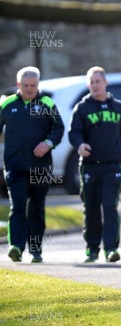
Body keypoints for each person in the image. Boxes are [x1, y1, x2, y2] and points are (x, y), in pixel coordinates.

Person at [68, 66, 121, 263]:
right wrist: (80, 144)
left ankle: (111, 248)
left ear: (105, 83)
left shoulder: (118, 107)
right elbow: (73, 133)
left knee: (109, 206)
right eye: (91, 82)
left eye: (98, 81)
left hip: (112, 166)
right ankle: (92, 249)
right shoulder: (82, 108)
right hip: (90, 166)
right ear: (88, 85)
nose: (95, 85)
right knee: (91, 208)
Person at [0, 66, 65, 263]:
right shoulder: (7, 104)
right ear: (18, 84)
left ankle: (36, 250)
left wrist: (48, 143)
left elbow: (59, 128)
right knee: (18, 206)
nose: (30, 89)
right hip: (15, 166)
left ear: (38, 85)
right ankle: (16, 247)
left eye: (33, 85)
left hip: (41, 167)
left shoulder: (46, 103)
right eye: (26, 85)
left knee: (36, 208)